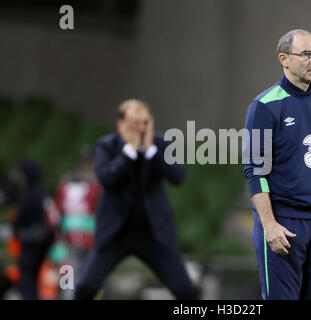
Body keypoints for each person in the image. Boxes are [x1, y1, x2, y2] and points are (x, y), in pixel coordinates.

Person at [243, 29, 311, 300]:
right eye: (305, 54)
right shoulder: (264, 106)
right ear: (284, 59)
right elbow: (254, 171)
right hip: (284, 222)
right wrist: (269, 224)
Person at [75, 99, 199, 300]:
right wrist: (128, 153)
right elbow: (106, 178)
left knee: (186, 290)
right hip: (115, 233)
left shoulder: (160, 144)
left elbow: (178, 177)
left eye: (145, 122)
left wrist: (151, 150)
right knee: (85, 287)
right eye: (134, 123)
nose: (140, 128)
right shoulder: (107, 146)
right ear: (121, 124)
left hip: (153, 233)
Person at [53, 145, 101, 299]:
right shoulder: (97, 185)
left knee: (70, 281)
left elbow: (55, 214)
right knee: (81, 280)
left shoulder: (64, 184)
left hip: (72, 238)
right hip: (85, 239)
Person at [12, 160, 54, 299]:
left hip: (31, 243)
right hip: (47, 241)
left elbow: (19, 220)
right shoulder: (45, 192)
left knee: (28, 280)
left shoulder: (29, 195)